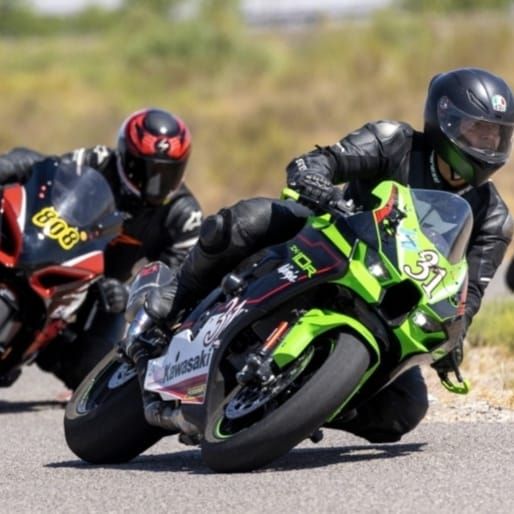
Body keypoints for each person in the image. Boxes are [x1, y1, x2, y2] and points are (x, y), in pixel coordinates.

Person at [132, 68, 514, 443]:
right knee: (244, 221)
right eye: (479, 130)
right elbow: (324, 160)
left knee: (405, 409)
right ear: (444, 119)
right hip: (328, 240)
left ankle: (297, 401)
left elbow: (468, 295)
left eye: (497, 135)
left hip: (389, 298)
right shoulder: (393, 140)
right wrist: (313, 177)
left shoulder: (494, 218)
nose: (488, 144)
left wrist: (455, 336)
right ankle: (175, 296)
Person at [0, 108, 203, 388]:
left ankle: (40, 348)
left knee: (90, 371)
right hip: (53, 248)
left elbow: (175, 282)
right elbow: (49, 175)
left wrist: (130, 292)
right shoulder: (97, 160)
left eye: (168, 171)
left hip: (104, 287)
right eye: (144, 169)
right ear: (125, 156)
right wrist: (13, 165)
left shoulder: (184, 216)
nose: (155, 183)